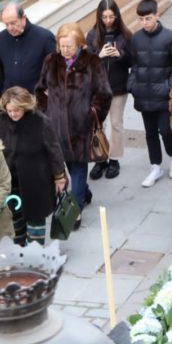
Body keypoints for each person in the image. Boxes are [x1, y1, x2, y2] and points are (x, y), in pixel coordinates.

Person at [35, 23, 112, 222]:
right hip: (56, 127)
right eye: (61, 46)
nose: (65, 50)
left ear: (79, 43)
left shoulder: (92, 62)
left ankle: (73, 212)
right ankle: (84, 192)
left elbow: (104, 93)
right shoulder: (51, 60)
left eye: (69, 46)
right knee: (68, 166)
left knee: (78, 168)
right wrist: (46, 112)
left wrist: (92, 112)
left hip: (81, 127)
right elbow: (39, 89)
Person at [127, 0, 172, 189]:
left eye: (148, 18)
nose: (145, 22)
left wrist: (170, 87)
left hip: (163, 95)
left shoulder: (171, 38)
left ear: (157, 15)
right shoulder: (136, 38)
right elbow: (134, 64)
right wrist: (132, 85)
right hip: (143, 93)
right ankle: (155, 167)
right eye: (142, 19)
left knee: (166, 130)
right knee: (150, 133)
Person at [0, 86, 67, 245]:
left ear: (24, 106)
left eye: (16, 110)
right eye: (9, 110)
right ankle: (19, 245)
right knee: (14, 213)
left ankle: (34, 251)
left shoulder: (40, 121)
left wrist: (59, 177)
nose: (13, 114)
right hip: (11, 178)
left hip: (36, 179)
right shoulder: (2, 120)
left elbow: (54, 150)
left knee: (35, 216)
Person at [85, 0, 132, 180]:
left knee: (115, 123)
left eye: (111, 16)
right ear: (99, 16)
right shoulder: (92, 35)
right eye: (104, 17)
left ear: (117, 15)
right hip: (97, 88)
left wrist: (119, 55)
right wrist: (100, 55)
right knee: (98, 124)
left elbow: (132, 61)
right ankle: (100, 158)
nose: (108, 20)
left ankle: (114, 158)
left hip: (118, 86)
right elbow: (86, 63)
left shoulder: (125, 35)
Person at [0, 3, 56, 94]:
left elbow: (55, 71)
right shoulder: (1, 39)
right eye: (6, 24)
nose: (10, 28)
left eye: (13, 23)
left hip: (36, 101)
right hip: (9, 102)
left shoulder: (45, 37)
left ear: (23, 18)